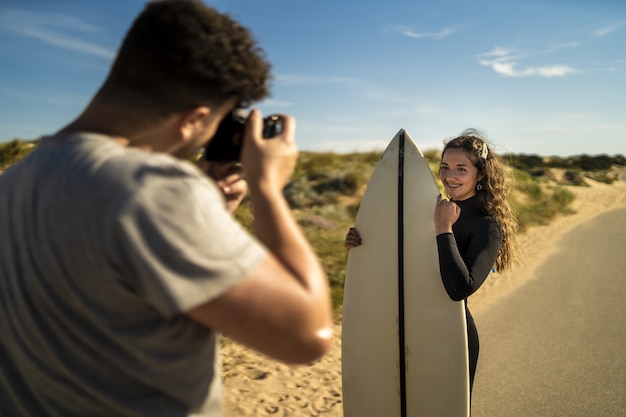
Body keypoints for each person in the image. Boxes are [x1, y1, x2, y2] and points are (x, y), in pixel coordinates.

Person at [0, 1, 333, 416]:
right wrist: (267, 187)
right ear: (193, 119)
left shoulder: (14, 181)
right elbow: (307, 335)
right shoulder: (151, 188)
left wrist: (210, 215)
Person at [345, 128, 520, 397]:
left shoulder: (487, 227)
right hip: (411, 328)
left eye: (461, 169)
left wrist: (443, 228)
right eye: (445, 167)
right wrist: (363, 244)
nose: (449, 176)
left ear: (480, 175)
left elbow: (460, 289)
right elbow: (403, 257)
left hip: (451, 335)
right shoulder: (432, 209)